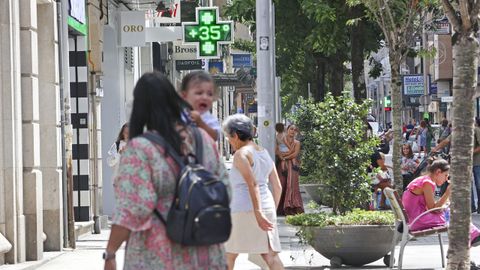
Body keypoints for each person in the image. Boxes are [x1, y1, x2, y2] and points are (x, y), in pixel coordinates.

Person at [104, 72, 229, 270]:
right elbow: (225, 190)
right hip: (206, 252)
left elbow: (133, 207)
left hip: (158, 254)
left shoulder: (140, 148)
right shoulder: (204, 140)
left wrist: (110, 253)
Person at [222, 114, 284, 270]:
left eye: (229, 137)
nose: (229, 141)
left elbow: (253, 184)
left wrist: (258, 212)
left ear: (235, 135)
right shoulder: (263, 152)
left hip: (243, 210)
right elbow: (277, 186)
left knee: (228, 255)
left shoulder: (241, 154)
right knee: (270, 255)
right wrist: (270, 211)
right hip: (267, 206)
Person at [402, 159, 480, 246]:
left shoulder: (423, 180)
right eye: (445, 175)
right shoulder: (427, 183)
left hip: (414, 218)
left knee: (448, 212)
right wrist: (447, 193)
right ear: (438, 172)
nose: (446, 179)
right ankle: (471, 237)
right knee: (452, 215)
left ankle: (468, 239)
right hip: (417, 220)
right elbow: (432, 209)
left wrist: (442, 205)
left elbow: (429, 207)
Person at [180, 70, 220, 141]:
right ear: (184, 96)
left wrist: (200, 123)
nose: (205, 97)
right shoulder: (179, 114)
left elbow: (214, 137)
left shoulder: (209, 118)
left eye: (209, 94)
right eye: (199, 93)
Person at [276, 124, 304, 216]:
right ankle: (280, 208)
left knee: (292, 185)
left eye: (295, 130)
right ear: (287, 130)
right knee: (282, 184)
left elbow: (294, 154)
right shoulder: (281, 141)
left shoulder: (297, 143)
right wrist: (282, 157)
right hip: (282, 166)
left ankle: (292, 207)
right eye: (291, 129)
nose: (293, 131)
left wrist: (285, 157)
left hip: (293, 166)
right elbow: (278, 152)